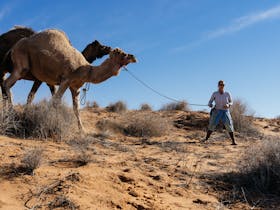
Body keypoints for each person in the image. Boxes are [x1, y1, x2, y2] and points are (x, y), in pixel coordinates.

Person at [202, 80, 237, 145]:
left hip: (225, 111)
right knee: (212, 124)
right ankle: (206, 139)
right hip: (217, 111)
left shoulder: (227, 93)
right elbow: (210, 102)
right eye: (220, 85)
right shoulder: (215, 93)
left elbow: (231, 102)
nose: (222, 86)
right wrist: (210, 104)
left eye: (223, 85)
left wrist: (228, 105)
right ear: (218, 86)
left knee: (229, 125)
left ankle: (233, 141)